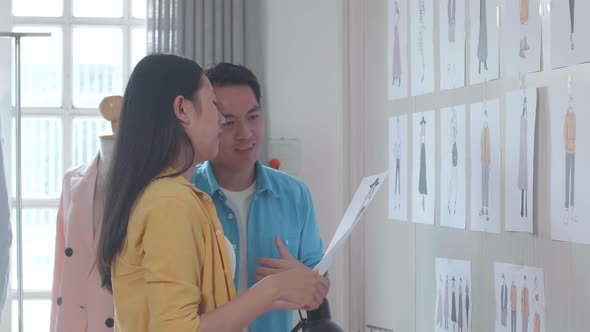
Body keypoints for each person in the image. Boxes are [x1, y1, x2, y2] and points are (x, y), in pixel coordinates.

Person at [97, 54, 329, 332]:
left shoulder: (171, 194)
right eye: (213, 105)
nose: (221, 121)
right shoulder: (171, 200)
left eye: (253, 116)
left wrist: (277, 293)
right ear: (182, 110)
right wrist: (272, 289)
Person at [191, 62, 327, 331]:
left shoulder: (295, 194)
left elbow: (319, 289)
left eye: (253, 117)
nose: (245, 133)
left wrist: (303, 278)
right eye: (229, 122)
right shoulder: (186, 193)